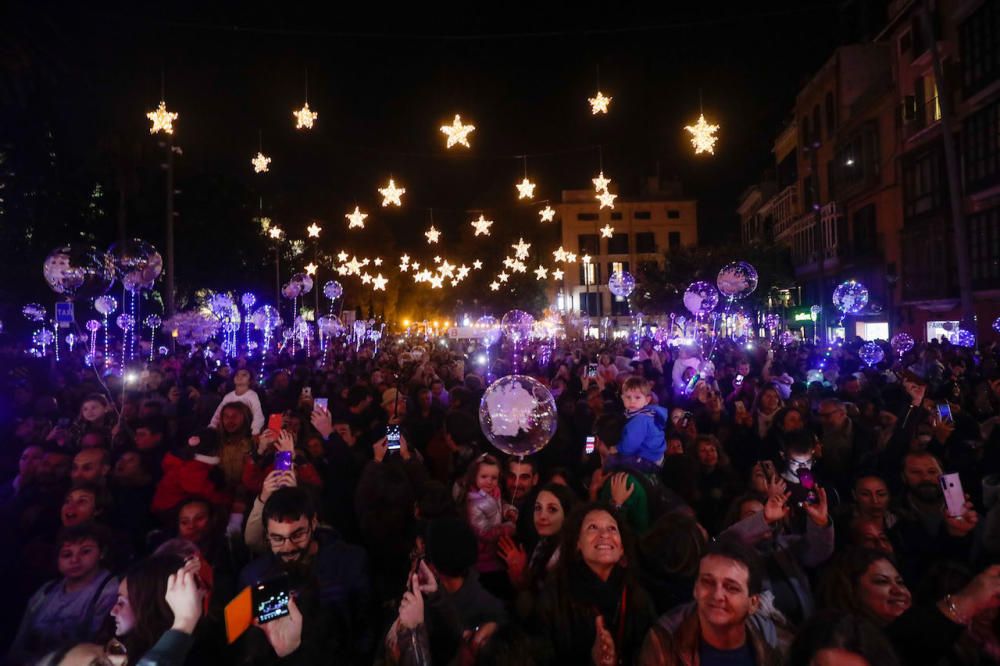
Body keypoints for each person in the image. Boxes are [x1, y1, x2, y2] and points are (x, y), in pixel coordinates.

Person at [239, 486, 373, 661]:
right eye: (277, 539)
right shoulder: (254, 577)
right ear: (266, 535)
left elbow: (366, 633)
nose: (288, 547)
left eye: (298, 534)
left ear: (314, 523)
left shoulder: (349, 563)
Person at [536, 502, 656, 665]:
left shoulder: (638, 597)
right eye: (593, 527)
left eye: (612, 528)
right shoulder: (555, 595)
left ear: (621, 548)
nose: (604, 535)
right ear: (578, 543)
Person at [639, 538, 786, 664]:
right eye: (707, 582)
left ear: (753, 603)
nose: (717, 595)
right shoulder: (665, 643)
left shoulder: (769, 647)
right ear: (695, 589)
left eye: (731, 588)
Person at [7, 523, 118, 664]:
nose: (74, 560)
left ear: (102, 553)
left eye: (85, 552)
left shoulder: (108, 592)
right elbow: (20, 642)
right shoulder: (45, 592)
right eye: (67, 554)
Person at [462, 453, 517, 599]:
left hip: (497, 552)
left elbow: (499, 506)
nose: (489, 481)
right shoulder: (473, 503)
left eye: (494, 478)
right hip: (483, 559)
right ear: (475, 476)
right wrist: (509, 527)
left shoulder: (495, 492)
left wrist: (508, 510)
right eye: (484, 477)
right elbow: (485, 533)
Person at [609, 377, 668, 472]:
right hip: (655, 453)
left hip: (649, 459)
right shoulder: (646, 411)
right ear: (622, 398)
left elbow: (628, 447)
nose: (632, 401)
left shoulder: (640, 419)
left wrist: (617, 448)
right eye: (628, 397)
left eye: (637, 397)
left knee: (612, 461)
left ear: (647, 400)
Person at [208, 368, 265, 435]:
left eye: (244, 375)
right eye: (237, 375)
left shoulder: (252, 395)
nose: (239, 377)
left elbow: (258, 415)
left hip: (244, 432)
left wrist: (255, 431)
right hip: (227, 431)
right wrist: (212, 426)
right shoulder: (228, 396)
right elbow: (218, 412)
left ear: (250, 381)